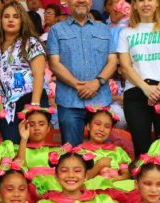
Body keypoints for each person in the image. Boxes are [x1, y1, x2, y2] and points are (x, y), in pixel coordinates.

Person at [118, 0, 160, 157]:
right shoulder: (126, 32)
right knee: (141, 146)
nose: (145, 4)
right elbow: (126, 66)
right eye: (140, 0)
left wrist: (159, 89)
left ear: (158, 3)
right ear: (134, 5)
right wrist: (146, 88)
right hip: (136, 91)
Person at [47, 0, 118, 146]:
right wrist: (78, 85)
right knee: (71, 152)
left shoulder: (104, 29)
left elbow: (112, 61)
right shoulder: (56, 30)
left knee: (100, 151)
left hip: (100, 100)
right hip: (69, 102)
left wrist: (97, 83)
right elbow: (54, 63)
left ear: (91, 2)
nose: (81, 1)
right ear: (67, 2)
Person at [0, 1, 47, 143]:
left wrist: (35, 105)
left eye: (16, 17)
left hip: (28, 100)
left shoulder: (31, 42)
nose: (11, 20)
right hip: (4, 105)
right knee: (11, 146)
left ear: (22, 20)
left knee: (29, 146)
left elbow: (39, 74)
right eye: (6, 16)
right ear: (0, 20)